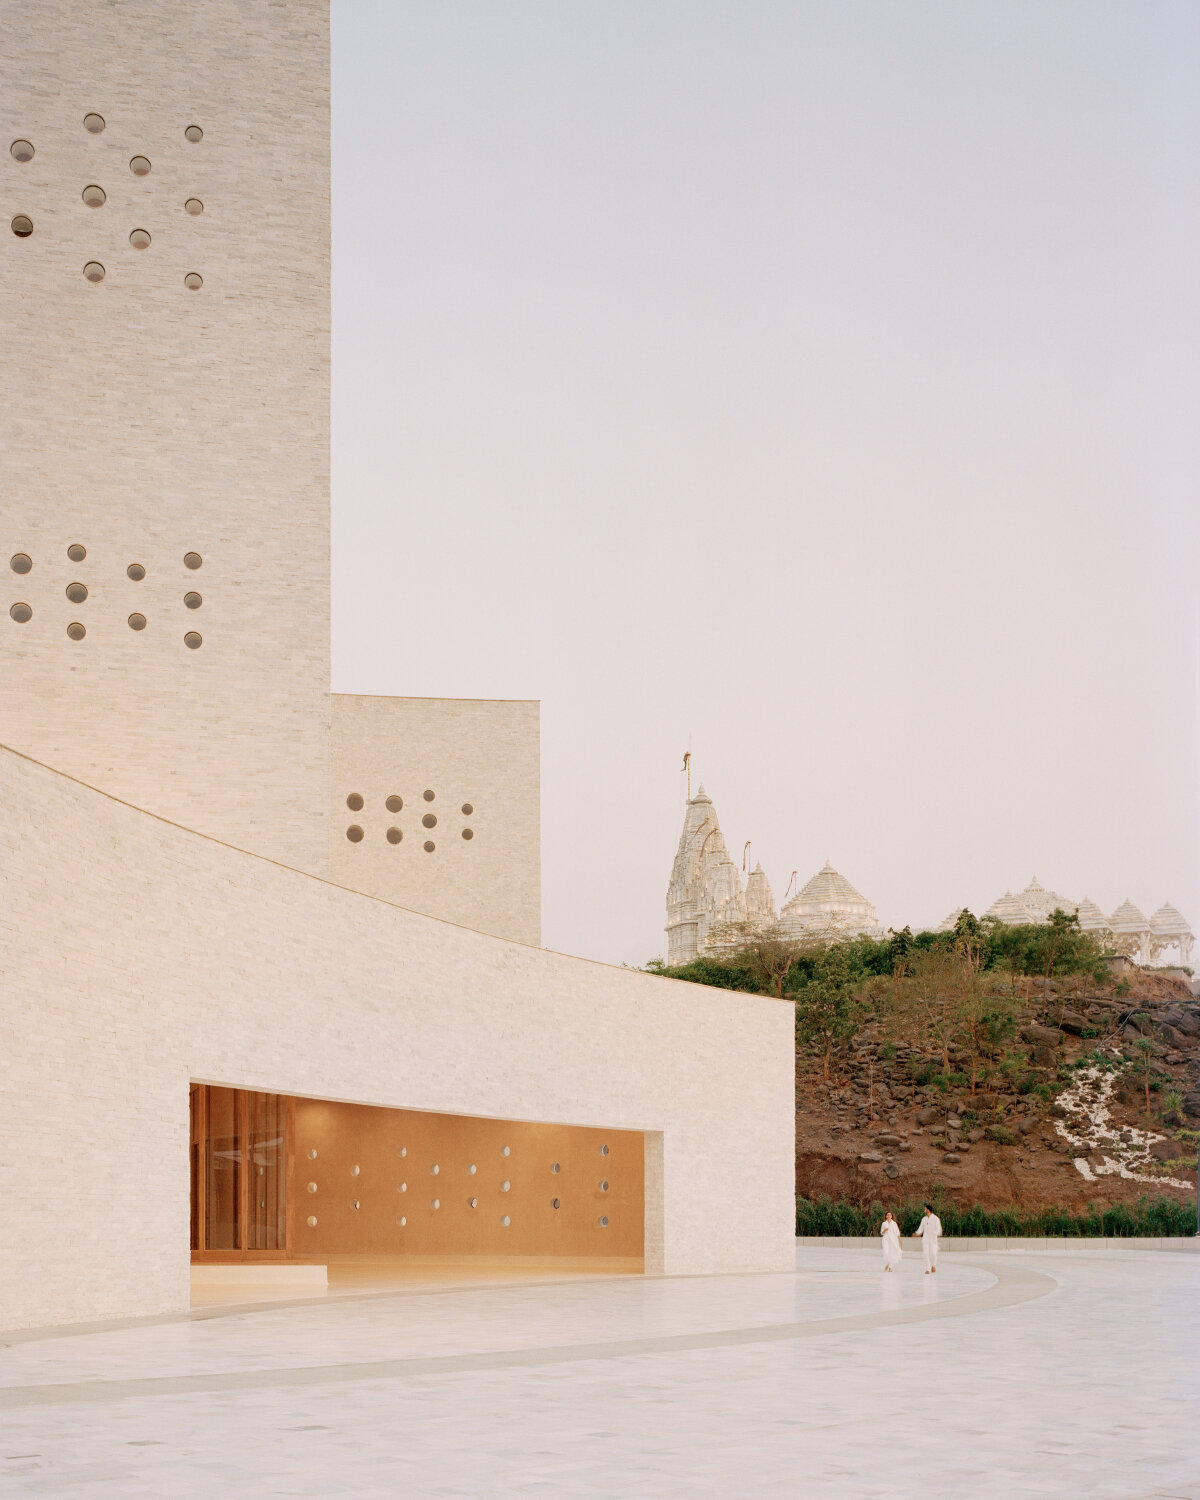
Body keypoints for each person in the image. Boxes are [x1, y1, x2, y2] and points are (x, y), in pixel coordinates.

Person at [914, 1203, 942, 1273]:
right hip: (925, 1238)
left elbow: (938, 1229)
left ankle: (933, 1265)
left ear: (928, 1210)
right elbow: (921, 1228)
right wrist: (917, 1233)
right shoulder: (924, 1219)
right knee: (925, 1253)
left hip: (933, 1238)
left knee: (933, 1253)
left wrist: (935, 1234)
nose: (924, 1210)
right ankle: (927, 1268)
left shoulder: (935, 1218)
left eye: (925, 1209)